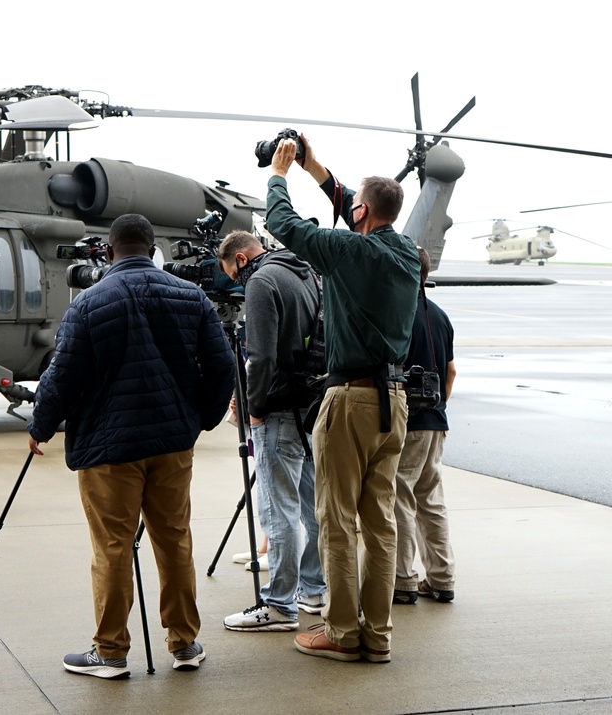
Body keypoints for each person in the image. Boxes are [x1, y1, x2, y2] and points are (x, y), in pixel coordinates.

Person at [28, 213, 235, 679]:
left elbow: (63, 375)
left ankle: (111, 651)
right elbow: (222, 366)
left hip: (110, 448)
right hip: (172, 443)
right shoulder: (191, 296)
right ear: (152, 247)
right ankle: (184, 643)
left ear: (109, 250)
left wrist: (40, 425)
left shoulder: (89, 303)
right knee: (174, 541)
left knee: (113, 548)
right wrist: (200, 419)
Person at [265, 135, 420, 664]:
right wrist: (315, 167)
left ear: (362, 213)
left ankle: (339, 630)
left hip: (350, 399)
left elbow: (284, 227)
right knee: (380, 523)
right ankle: (377, 635)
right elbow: (355, 199)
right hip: (395, 401)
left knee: (335, 519)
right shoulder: (405, 253)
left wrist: (281, 174)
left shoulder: (352, 251)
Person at [216, 230, 327, 631]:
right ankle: (314, 588)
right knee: (314, 506)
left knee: (278, 510)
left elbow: (259, 356)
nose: (233, 282)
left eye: (232, 273)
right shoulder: (306, 274)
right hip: (310, 405)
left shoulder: (261, 281)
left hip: (277, 408)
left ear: (241, 260)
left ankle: (279, 605)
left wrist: (255, 408)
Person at [393, 246, 458, 604]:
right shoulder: (440, 315)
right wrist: (441, 404)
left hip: (410, 418)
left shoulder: (398, 314)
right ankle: (442, 577)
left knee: (400, 497)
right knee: (431, 499)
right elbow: (450, 370)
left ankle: (403, 579)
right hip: (436, 418)